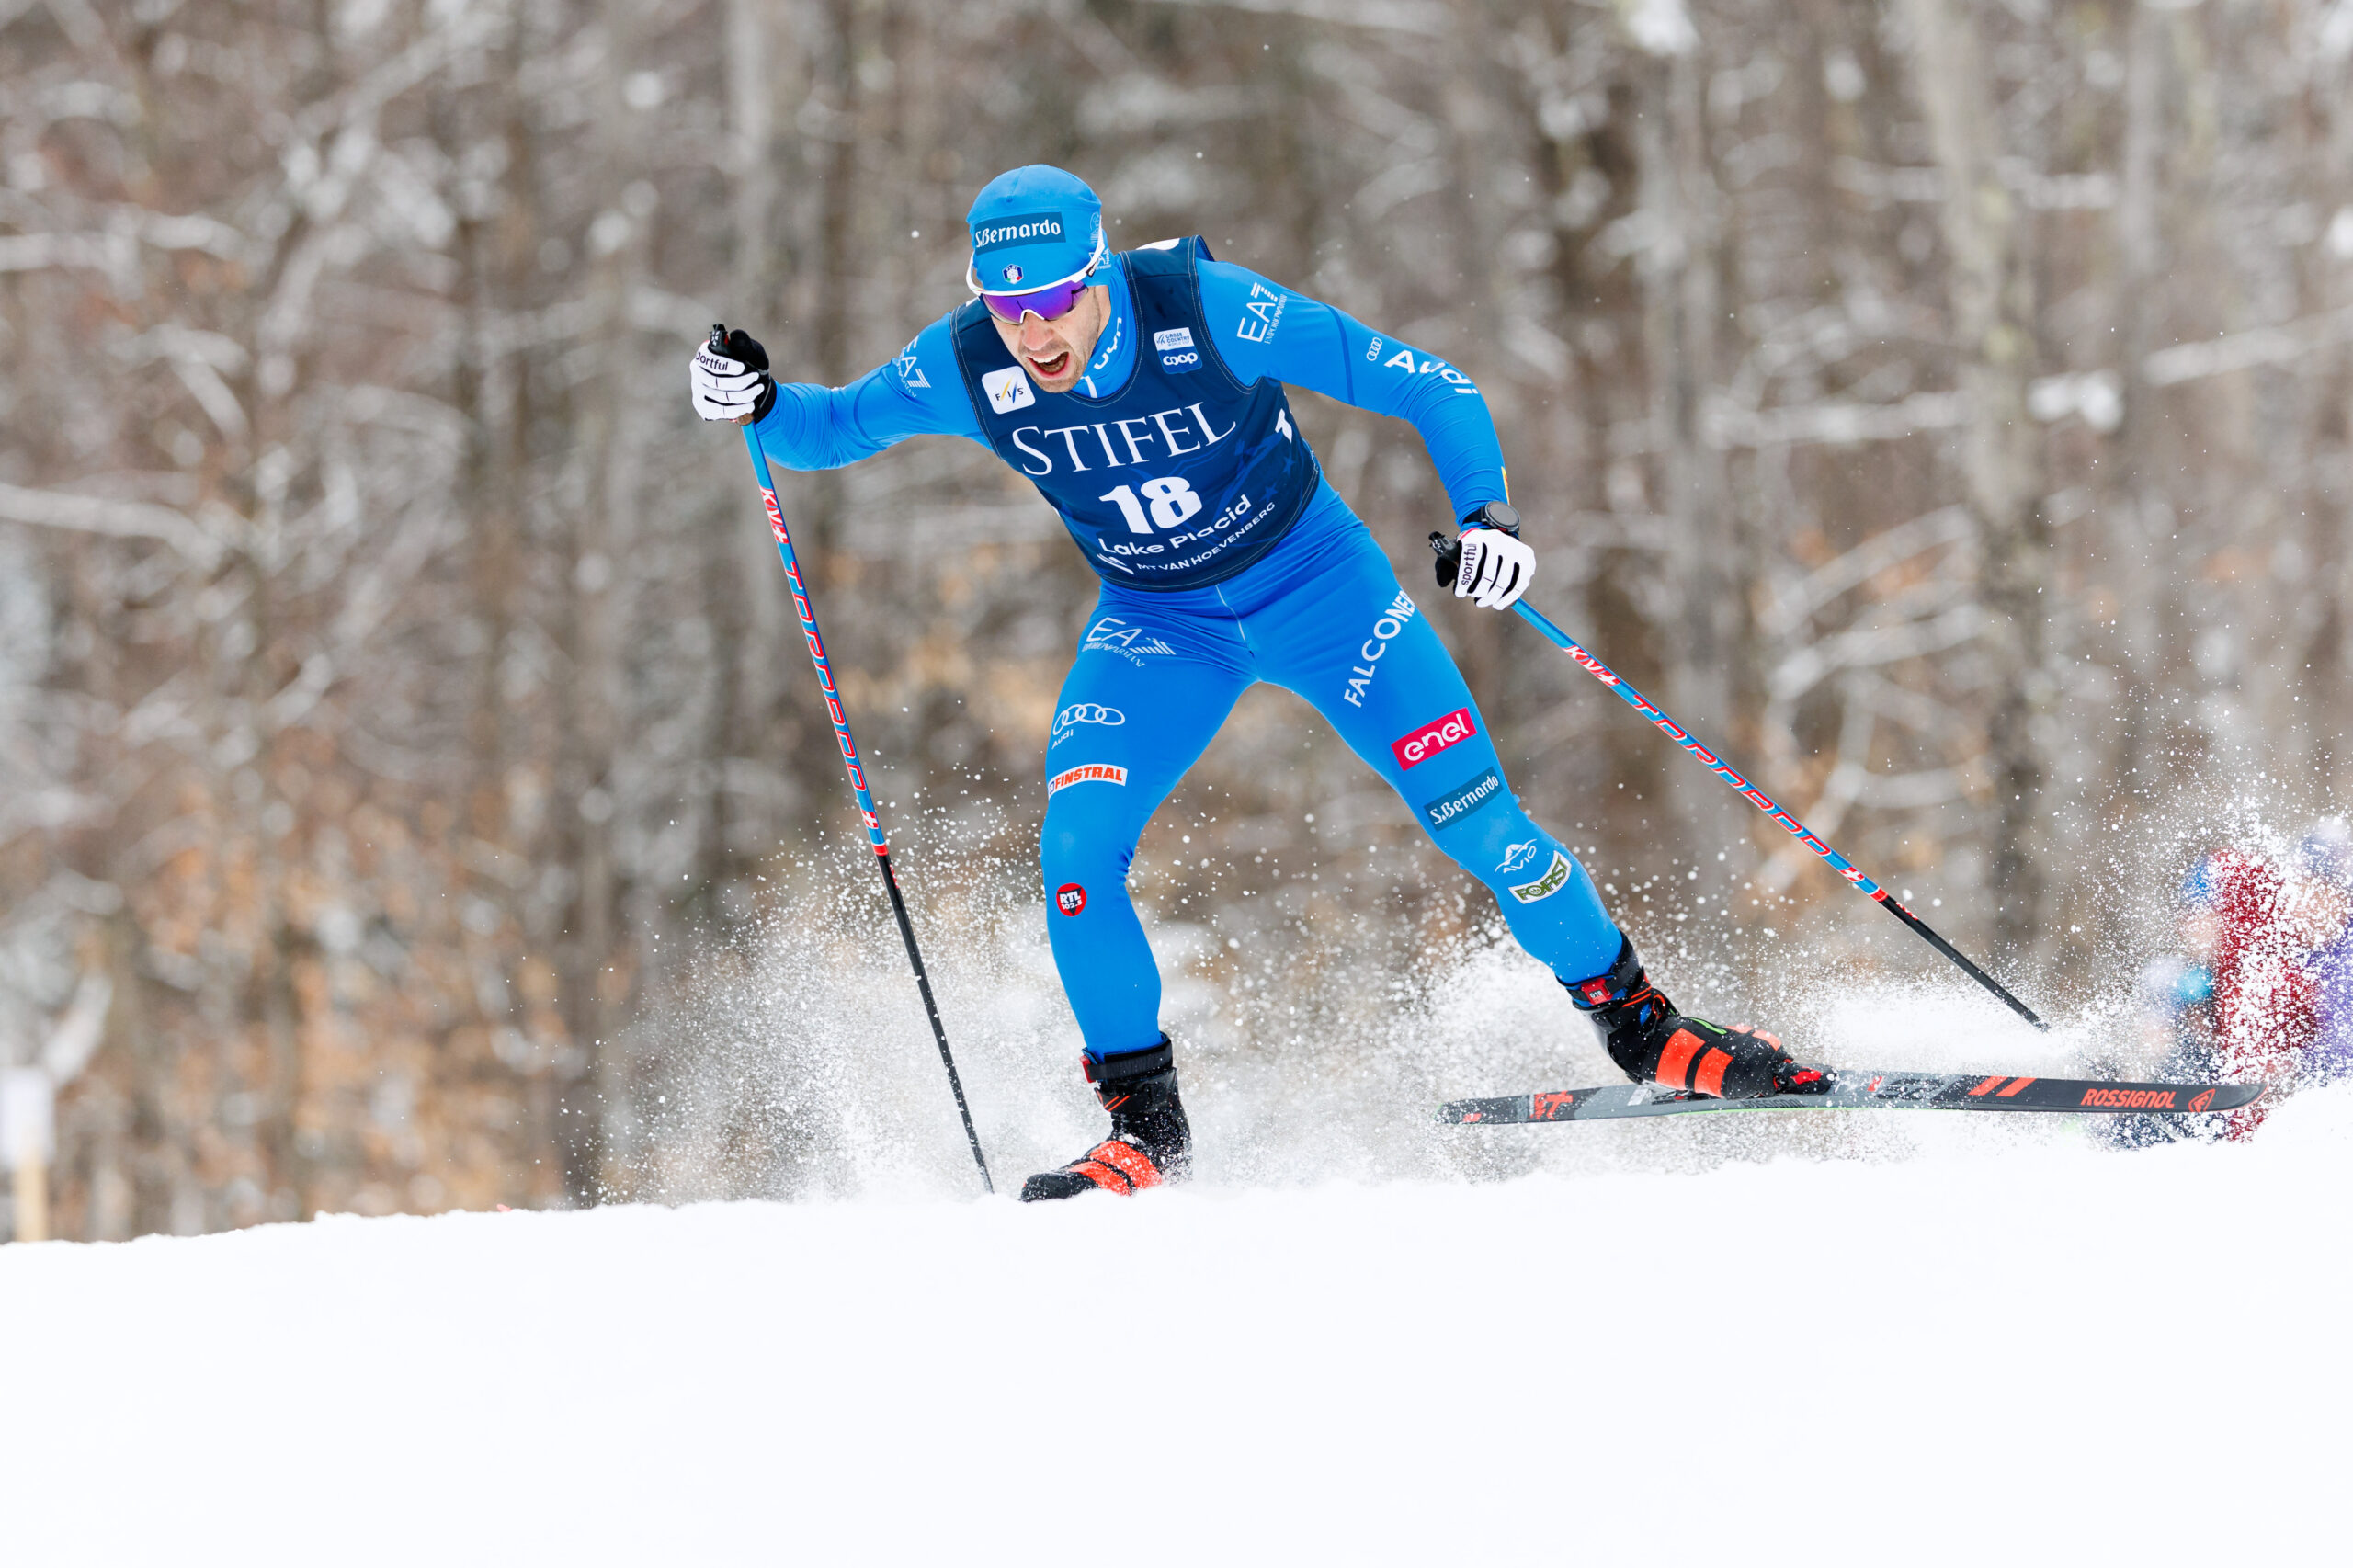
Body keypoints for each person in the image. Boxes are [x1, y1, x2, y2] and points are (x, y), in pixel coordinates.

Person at [689, 165, 1823, 1200]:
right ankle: (1146, 1127)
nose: (1032, 332)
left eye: (1053, 301)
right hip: (1158, 627)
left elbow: (1431, 383)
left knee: (1486, 830)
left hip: (1324, 595)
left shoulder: (1207, 306)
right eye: (1005, 304)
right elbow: (827, 430)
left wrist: (1490, 518)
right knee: (1075, 852)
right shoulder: (971, 361)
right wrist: (757, 400)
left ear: (1099, 277)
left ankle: (1646, 1031)